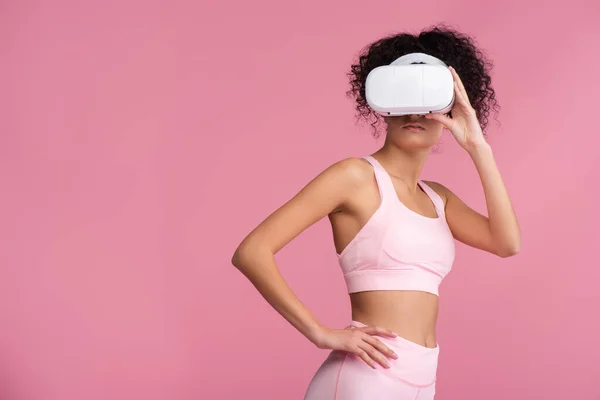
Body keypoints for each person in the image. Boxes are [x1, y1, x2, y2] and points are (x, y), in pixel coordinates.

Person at [231, 24, 521, 400]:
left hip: (422, 379)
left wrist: (478, 146)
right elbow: (251, 252)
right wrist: (320, 333)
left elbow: (506, 243)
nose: (414, 111)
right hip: (365, 380)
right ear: (380, 103)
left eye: (428, 99)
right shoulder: (355, 177)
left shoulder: (439, 199)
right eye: (401, 96)